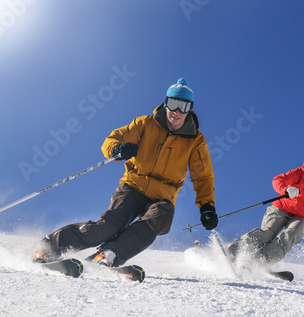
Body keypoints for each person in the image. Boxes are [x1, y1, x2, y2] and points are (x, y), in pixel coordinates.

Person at [32, 78, 218, 267]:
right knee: (108, 227)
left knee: (160, 218)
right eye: (173, 104)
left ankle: (109, 253)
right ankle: (48, 248)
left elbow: (202, 176)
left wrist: (207, 206)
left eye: (183, 107)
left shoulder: (195, 141)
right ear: (166, 103)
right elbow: (114, 137)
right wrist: (116, 149)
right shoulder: (146, 123)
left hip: (163, 196)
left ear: (190, 109)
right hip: (133, 186)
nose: (177, 112)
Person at [226, 145, 304, 266]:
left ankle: (258, 262)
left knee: (289, 236)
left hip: (301, 217)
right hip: (281, 209)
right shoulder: (299, 173)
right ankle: (230, 252)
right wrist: (285, 190)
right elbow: (278, 180)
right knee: (267, 233)